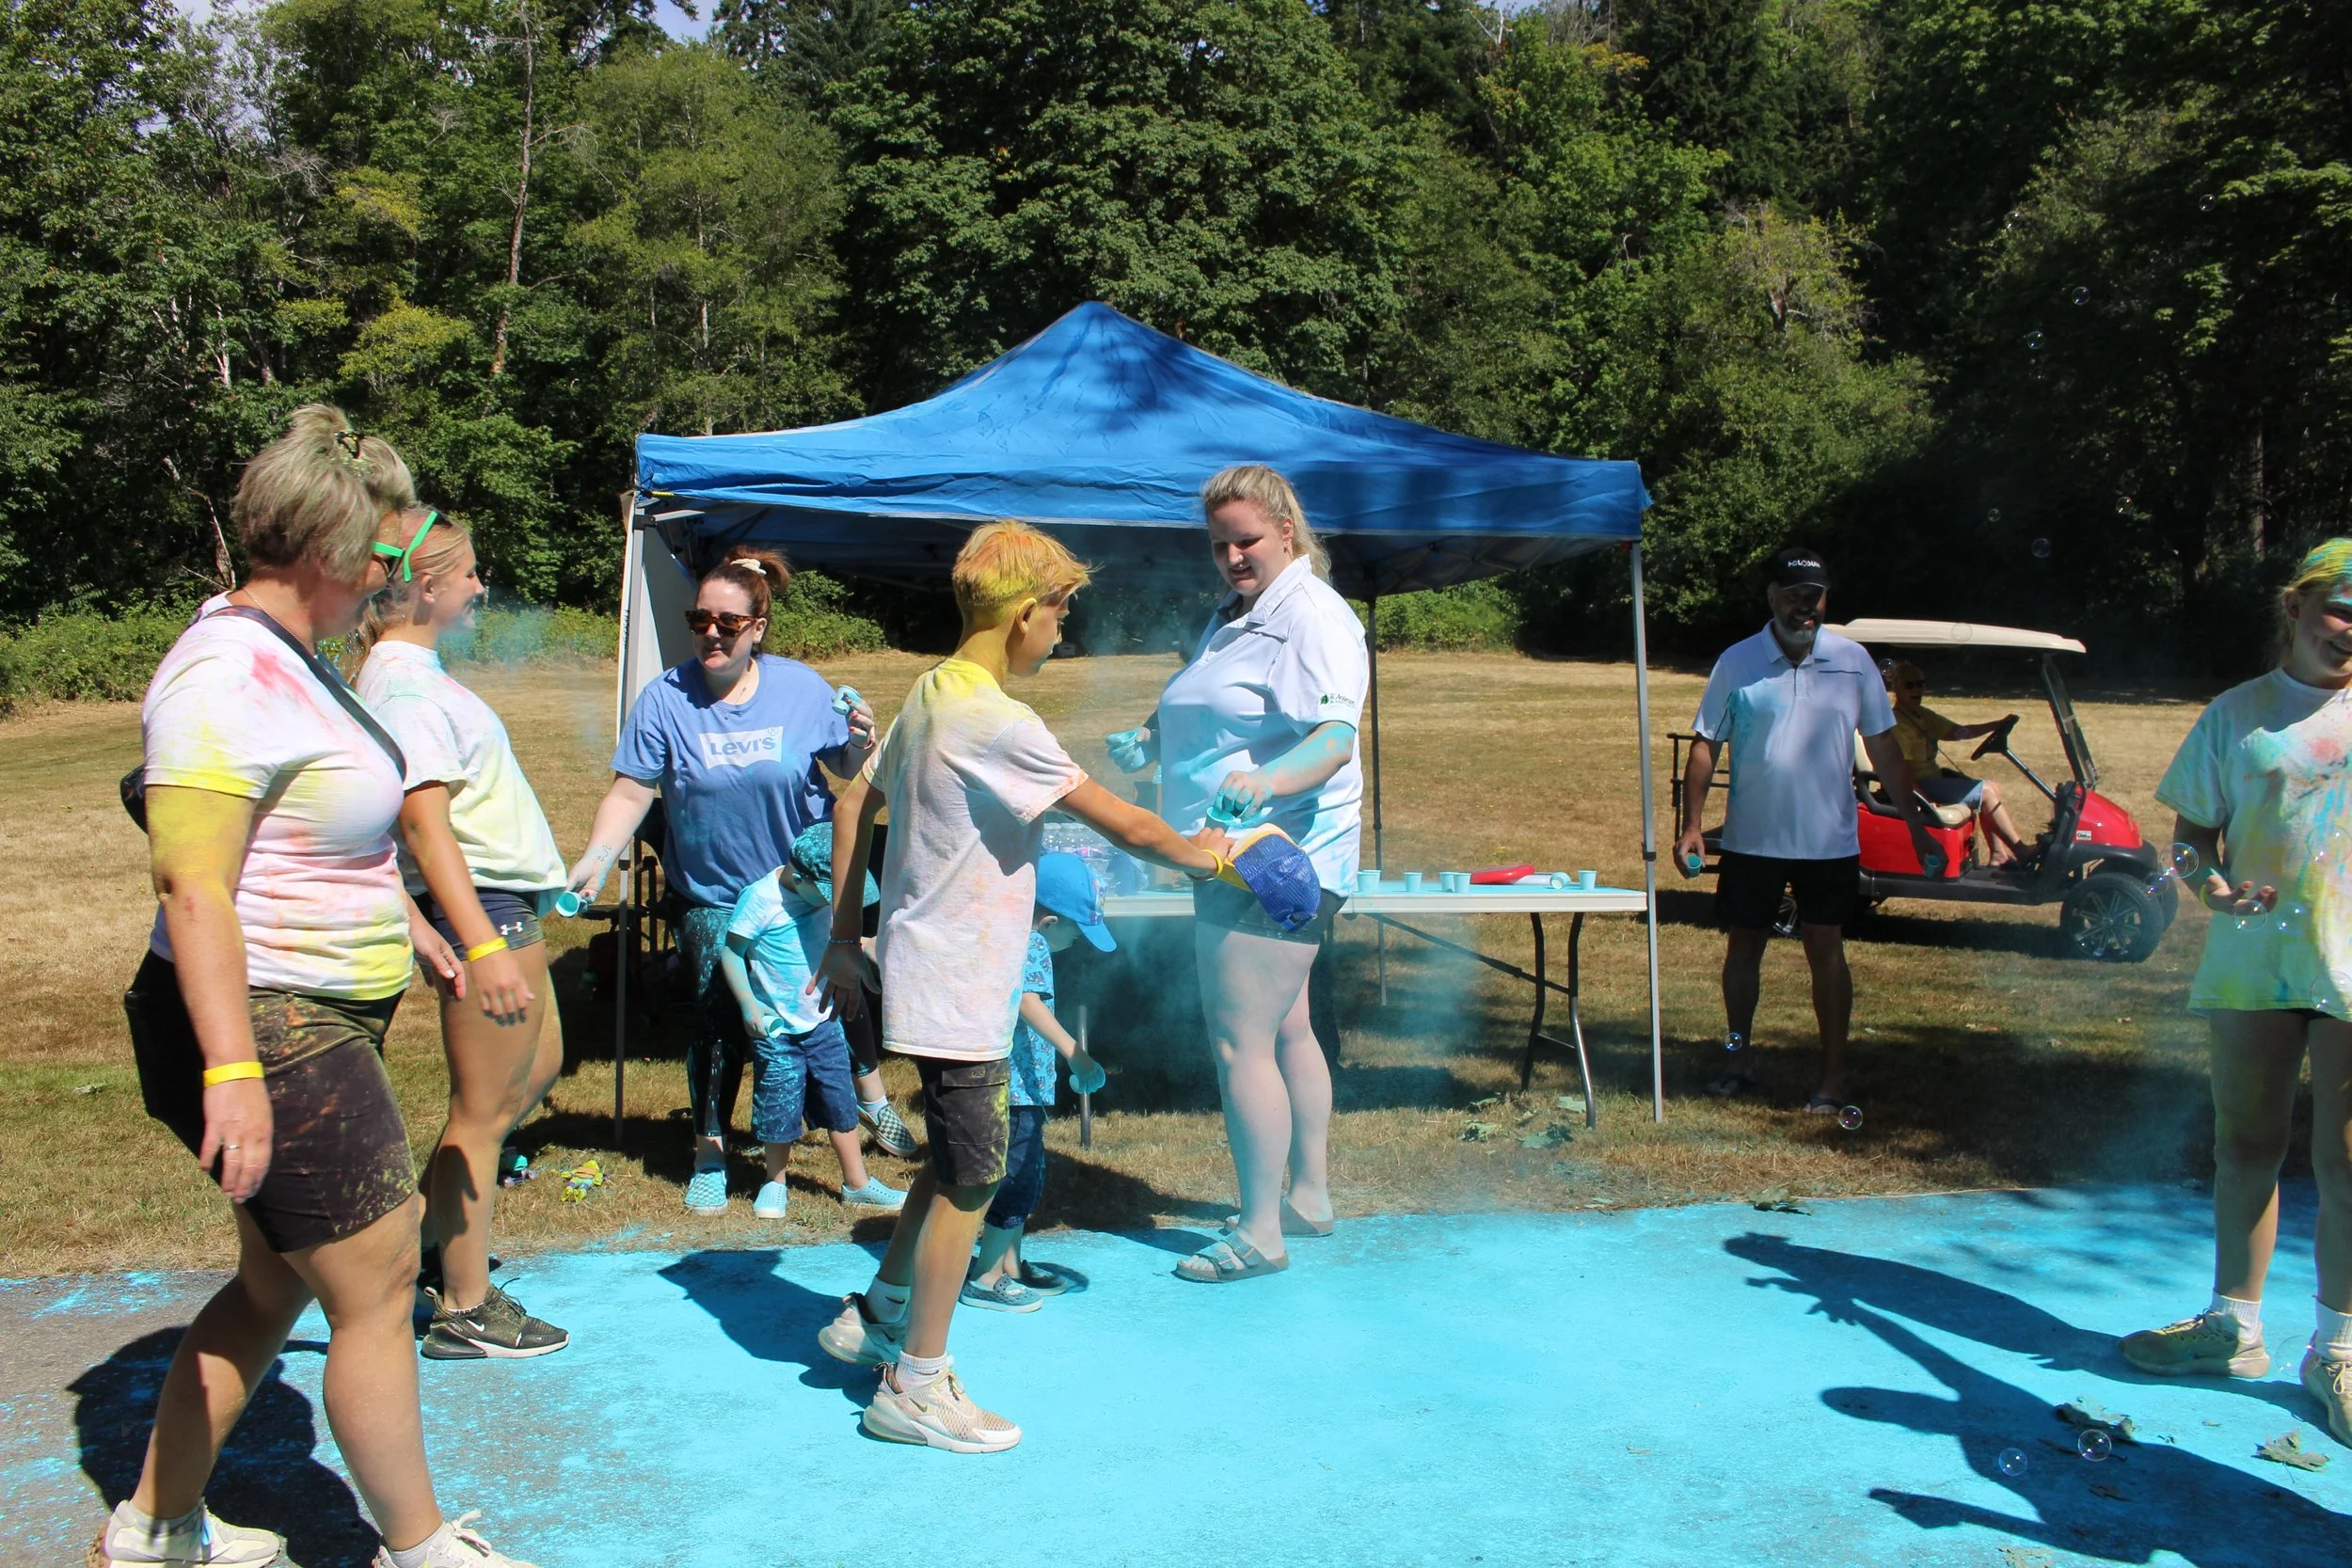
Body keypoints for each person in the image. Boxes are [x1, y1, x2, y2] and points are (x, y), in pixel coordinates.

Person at [110, 406, 532, 1568]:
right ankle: (417, 1544)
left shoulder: (287, 658)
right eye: (382, 551)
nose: (392, 574)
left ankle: (152, 1528)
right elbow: (194, 885)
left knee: (270, 1286)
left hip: (308, 1009)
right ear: (329, 551)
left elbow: (313, 831)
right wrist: (235, 1073)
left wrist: (407, 922)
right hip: (268, 1021)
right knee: (380, 1276)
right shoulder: (223, 668)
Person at [813, 520, 1228, 1453]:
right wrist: (1208, 858)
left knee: (954, 1160)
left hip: (935, 969)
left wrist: (845, 936)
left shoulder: (929, 692)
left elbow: (850, 801)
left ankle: (878, 1312)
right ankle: (913, 1383)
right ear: (1024, 613)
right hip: (958, 980)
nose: (1062, 631)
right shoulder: (994, 718)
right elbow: (1119, 817)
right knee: (976, 1167)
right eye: (1059, 613)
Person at [564, 548, 900, 1213]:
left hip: (800, 893)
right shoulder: (665, 698)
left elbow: (844, 764)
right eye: (700, 620)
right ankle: (711, 1152)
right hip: (716, 896)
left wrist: (863, 738)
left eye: (727, 621)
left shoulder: (800, 687)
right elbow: (632, 790)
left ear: (758, 626)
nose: (710, 633)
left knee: (818, 1017)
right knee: (722, 1020)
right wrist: (596, 856)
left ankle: (848, 1153)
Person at [2119, 538, 2352, 1447]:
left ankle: (2337, 1347)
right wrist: (2205, 883)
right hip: (2256, 961)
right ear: (2294, 606)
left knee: (2345, 1161)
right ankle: (2234, 1326)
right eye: (2339, 605)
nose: (2350, 628)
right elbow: (2189, 837)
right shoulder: (2237, 716)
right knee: (2244, 1141)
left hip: (2349, 964)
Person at [1107, 465, 1366, 1283]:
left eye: (1246, 540)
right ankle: (1309, 1196)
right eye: (1219, 544)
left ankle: (1260, 1231)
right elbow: (1217, 703)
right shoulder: (1236, 614)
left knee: (1238, 1038)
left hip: (1272, 859)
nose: (1231, 557)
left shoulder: (1314, 616)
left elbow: (1334, 739)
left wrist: (1268, 780)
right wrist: (1150, 740)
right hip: (1233, 856)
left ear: (1286, 529)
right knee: (1286, 1029)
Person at [352, 506, 570, 1361]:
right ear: (428, 585)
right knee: (479, 1115)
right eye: (471, 573)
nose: (483, 587)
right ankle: (465, 1303)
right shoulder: (403, 687)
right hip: (482, 910)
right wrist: (478, 940)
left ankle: (422, 1241)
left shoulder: (415, 675)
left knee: (540, 1064)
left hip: (500, 905)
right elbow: (423, 829)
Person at [1671, 546, 1941, 1115]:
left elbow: (1886, 749)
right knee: (1744, 950)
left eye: (1813, 596)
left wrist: (1916, 825)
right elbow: (1705, 746)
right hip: (1752, 840)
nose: (1804, 607)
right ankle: (1738, 1058)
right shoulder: (1737, 663)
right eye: (1793, 595)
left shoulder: (1854, 661)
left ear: (1825, 599)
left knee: (1827, 950)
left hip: (1829, 842)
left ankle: (1833, 1079)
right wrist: (1693, 825)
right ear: (1772, 597)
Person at [719, 821, 907, 1218]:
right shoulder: (760, 899)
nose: (829, 902)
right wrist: (750, 1006)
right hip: (779, 1028)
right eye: (825, 894)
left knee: (840, 1101)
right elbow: (732, 952)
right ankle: (775, 1181)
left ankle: (857, 1183)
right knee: (779, 1105)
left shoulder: (826, 896)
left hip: (823, 1022)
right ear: (801, 878)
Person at [961, 852, 1111, 1312]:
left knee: (1023, 1175)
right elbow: (1028, 1000)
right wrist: (1076, 1053)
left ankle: (1009, 1265)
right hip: (1017, 1086)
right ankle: (986, 1277)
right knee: (1018, 1179)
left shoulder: (1006, 935)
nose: (1078, 942)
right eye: (1076, 931)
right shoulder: (1034, 945)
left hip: (1010, 1083)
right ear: (1048, 920)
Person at [1883, 659, 2030, 866]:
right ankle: (2020, 850)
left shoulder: (1922, 715)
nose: (1917, 689)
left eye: (1921, 683)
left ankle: (1999, 854)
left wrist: (1994, 725)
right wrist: (1922, 800)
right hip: (1921, 785)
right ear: (1896, 688)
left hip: (1934, 779)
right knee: (1986, 792)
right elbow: (1902, 769)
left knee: (1991, 787)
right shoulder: (1898, 722)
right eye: (1910, 685)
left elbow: (1957, 732)